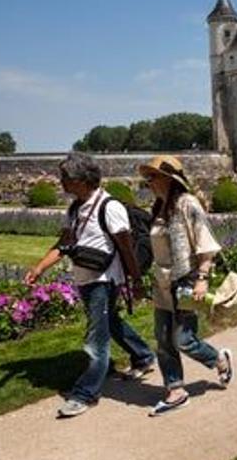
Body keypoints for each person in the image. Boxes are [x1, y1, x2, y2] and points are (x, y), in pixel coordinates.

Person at [25, 152, 156, 418]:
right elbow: (65, 243)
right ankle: (143, 356)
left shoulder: (110, 207)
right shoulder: (75, 208)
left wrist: (136, 281)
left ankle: (85, 394)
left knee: (96, 339)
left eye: (65, 177)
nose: (61, 182)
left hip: (103, 281)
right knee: (110, 322)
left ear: (81, 180)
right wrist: (39, 267)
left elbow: (126, 249)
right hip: (85, 278)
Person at [139, 155, 233, 416]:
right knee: (163, 339)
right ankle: (176, 390)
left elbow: (205, 244)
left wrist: (202, 278)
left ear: (169, 179)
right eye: (147, 179)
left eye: (152, 177)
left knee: (183, 339)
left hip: (186, 281)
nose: (149, 183)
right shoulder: (159, 207)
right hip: (162, 283)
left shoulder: (187, 204)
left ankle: (219, 358)